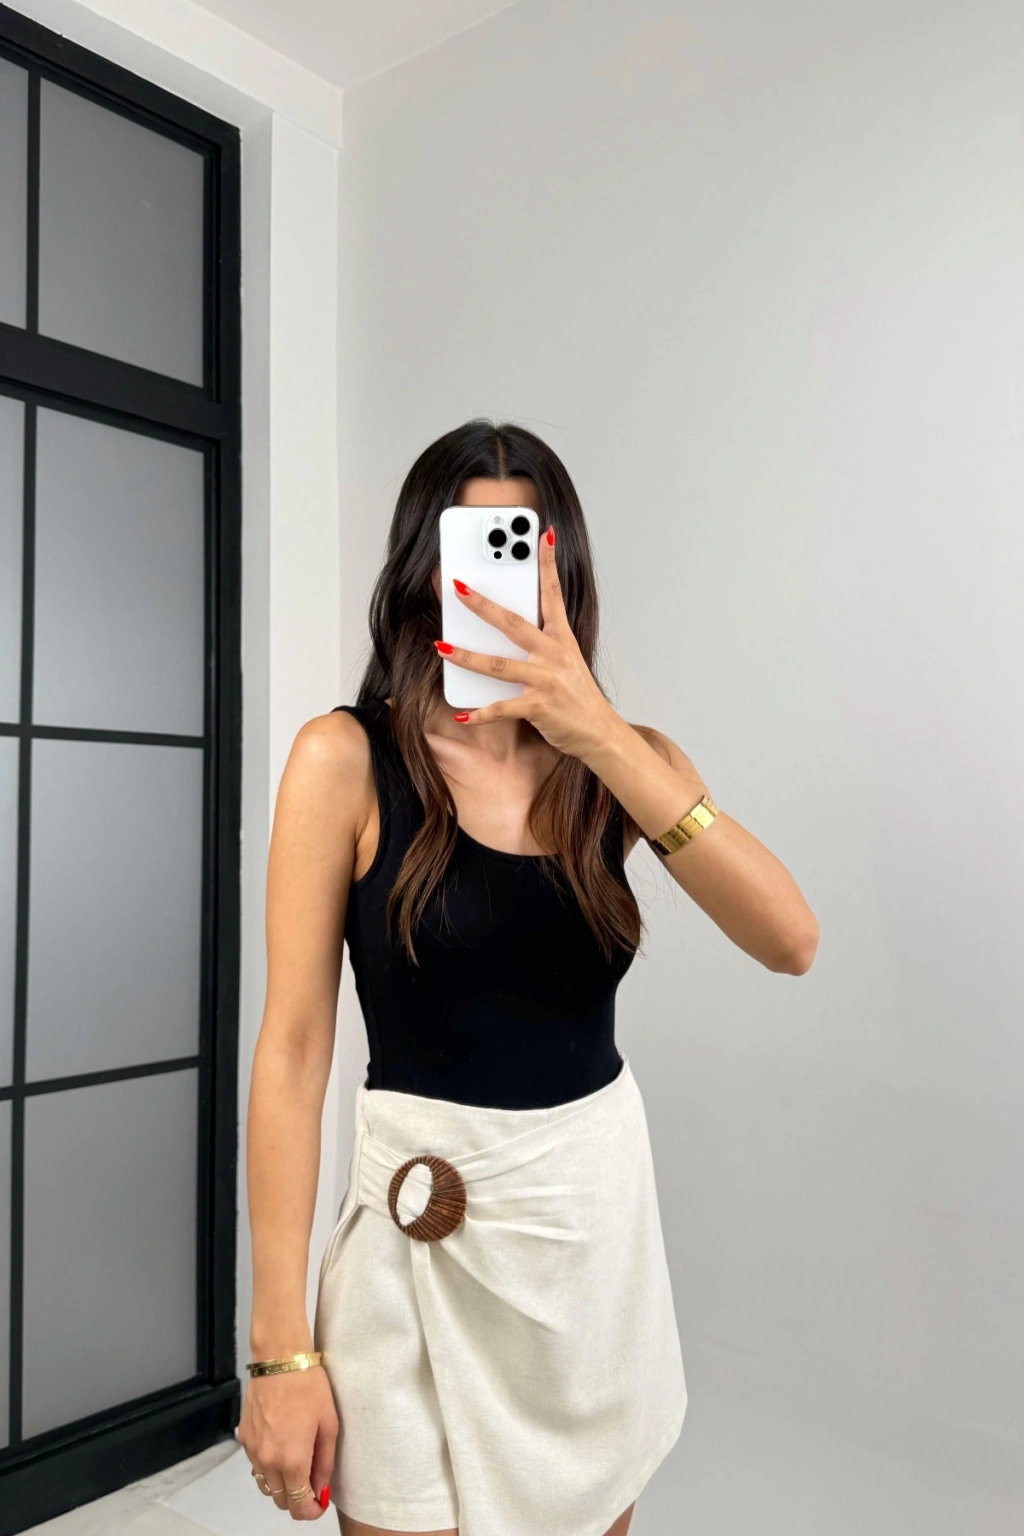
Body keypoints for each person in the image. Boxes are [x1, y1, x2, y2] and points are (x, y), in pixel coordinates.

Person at [238, 420, 819, 1534]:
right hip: (414, 1243)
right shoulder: (344, 759)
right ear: (423, 570)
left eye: (522, 547)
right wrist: (278, 1351)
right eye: (472, 548)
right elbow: (295, 1051)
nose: (495, 581)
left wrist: (595, 731)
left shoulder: (623, 765)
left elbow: (789, 938)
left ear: (565, 567)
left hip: (588, 1246)